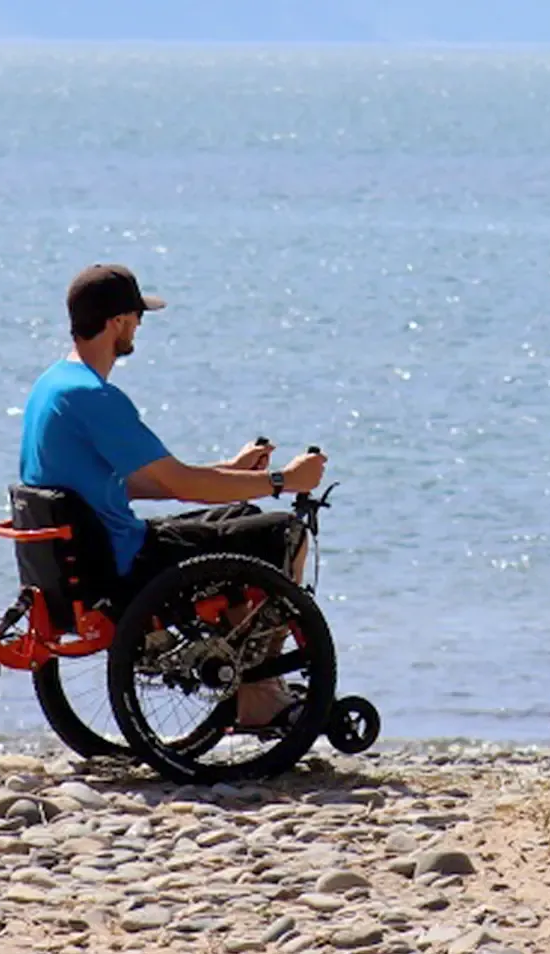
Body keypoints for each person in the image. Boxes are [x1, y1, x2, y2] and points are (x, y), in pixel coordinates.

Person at [18, 263, 326, 727]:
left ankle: (247, 679)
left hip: (90, 552)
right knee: (285, 534)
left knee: (240, 513)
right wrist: (285, 481)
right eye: (138, 316)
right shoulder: (95, 398)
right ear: (119, 321)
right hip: (124, 560)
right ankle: (258, 693)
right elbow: (178, 484)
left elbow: (141, 481)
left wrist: (230, 471)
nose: (140, 325)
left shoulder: (53, 386)